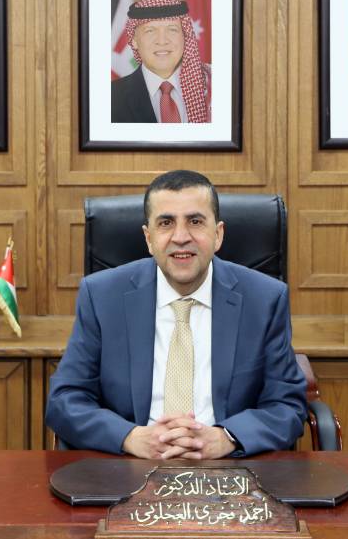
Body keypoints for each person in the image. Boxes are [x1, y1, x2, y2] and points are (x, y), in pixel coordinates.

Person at [46, 170, 306, 459]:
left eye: (195, 221)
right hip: (129, 465)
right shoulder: (101, 296)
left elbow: (287, 405)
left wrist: (227, 438)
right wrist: (130, 437)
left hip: (228, 467)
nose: (181, 237)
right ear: (148, 238)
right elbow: (65, 400)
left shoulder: (265, 299)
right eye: (166, 223)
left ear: (218, 234)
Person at [110, 0, 211, 124]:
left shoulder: (212, 87)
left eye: (172, 29)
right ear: (134, 40)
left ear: (185, 36)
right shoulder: (110, 97)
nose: (162, 41)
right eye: (150, 31)